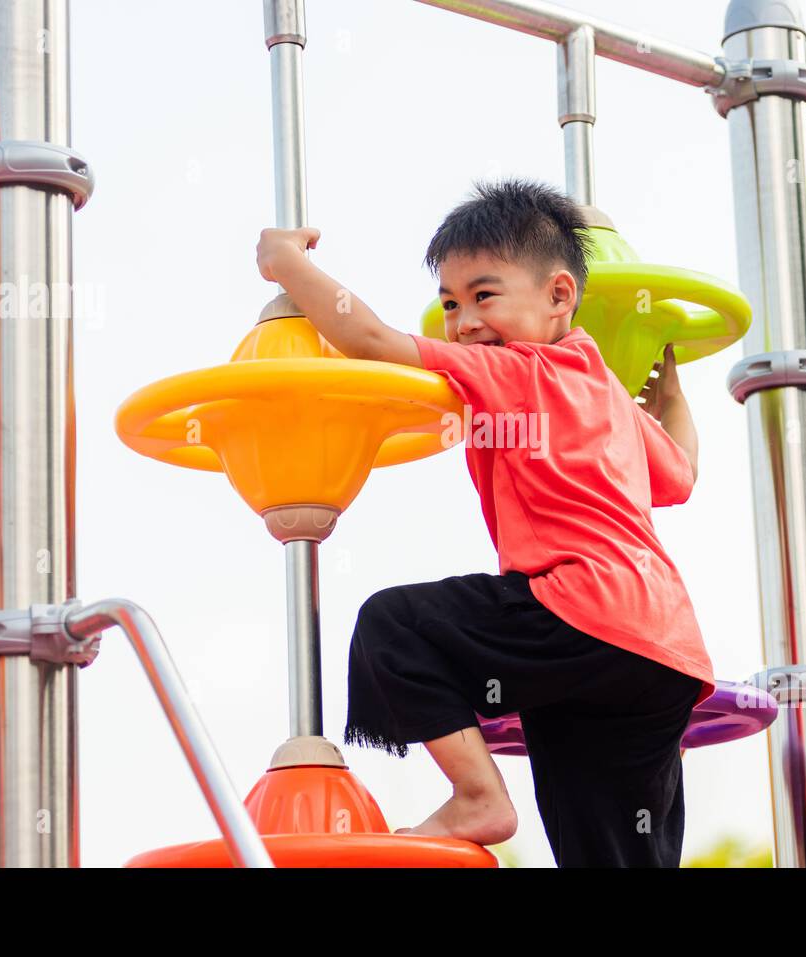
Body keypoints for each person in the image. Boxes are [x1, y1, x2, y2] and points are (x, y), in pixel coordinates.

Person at [255, 177, 715, 867]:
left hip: (580, 609)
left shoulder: (517, 371)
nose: (464, 321)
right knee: (612, 851)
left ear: (560, 296)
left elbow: (371, 339)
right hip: (662, 654)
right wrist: (672, 395)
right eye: (449, 303)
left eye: (484, 295)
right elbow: (678, 472)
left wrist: (285, 262)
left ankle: (477, 794)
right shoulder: (605, 389)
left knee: (397, 625)